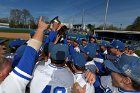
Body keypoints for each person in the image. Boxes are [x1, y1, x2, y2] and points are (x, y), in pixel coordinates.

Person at [0, 16, 49, 93]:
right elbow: (29, 56)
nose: (10, 63)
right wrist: (40, 29)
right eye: (6, 62)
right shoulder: (9, 87)